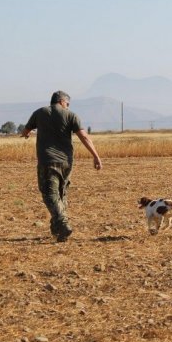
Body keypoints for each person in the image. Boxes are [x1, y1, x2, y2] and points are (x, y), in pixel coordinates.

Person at [22, 91, 102, 242]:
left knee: (49, 194)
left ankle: (63, 223)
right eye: (68, 104)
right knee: (61, 193)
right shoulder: (71, 115)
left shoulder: (39, 113)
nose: (68, 106)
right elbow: (84, 136)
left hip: (47, 160)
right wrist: (96, 156)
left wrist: (26, 134)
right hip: (66, 162)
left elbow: (26, 130)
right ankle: (57, 230)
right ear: (62, 101)